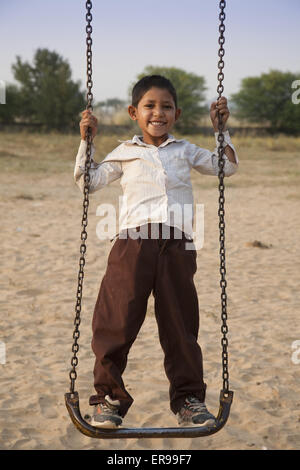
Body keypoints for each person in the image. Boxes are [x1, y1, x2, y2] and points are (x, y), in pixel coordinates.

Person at [74, 75, 239, 429]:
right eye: (150, 106)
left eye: (166, 107)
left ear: (176, 113)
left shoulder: (185, 150)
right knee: (116, 320)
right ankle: (108, 399)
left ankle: (189, 400)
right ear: (135, 112)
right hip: (132, 245)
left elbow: (226, 166)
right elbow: (89, 180)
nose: (158, 113)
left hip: (178, 246)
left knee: (181, 324)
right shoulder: (125, 153)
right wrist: (87, 139)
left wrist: (220, 129)